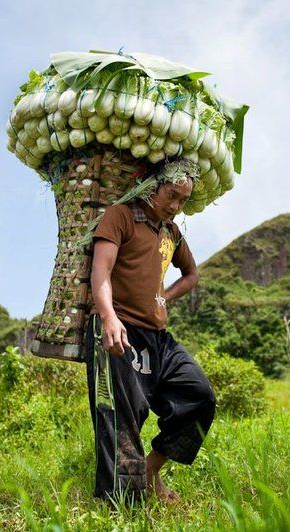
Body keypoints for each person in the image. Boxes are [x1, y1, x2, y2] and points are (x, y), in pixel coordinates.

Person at [85, 158, 216, 504]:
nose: (175, 206)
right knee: (122, 415)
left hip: (159, 338)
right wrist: (109, 317)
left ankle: (149, 470)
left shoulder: (171, 232)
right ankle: (121, 502)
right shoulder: (121, 215)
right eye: (171, 195)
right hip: (119, 329)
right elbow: (100, 270)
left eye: (182, 201)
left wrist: (165, 296)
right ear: (152, 186)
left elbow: (191, 274)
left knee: (200, 396)